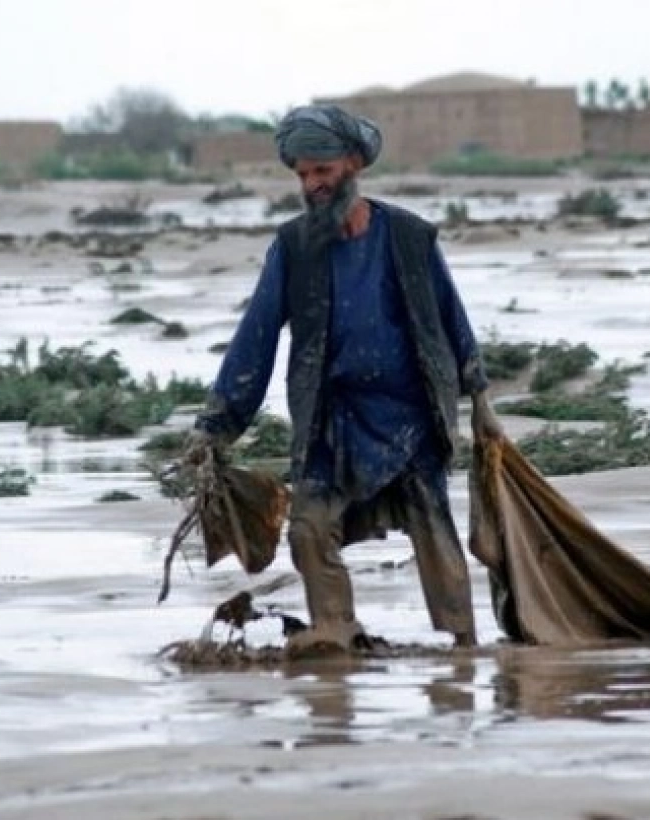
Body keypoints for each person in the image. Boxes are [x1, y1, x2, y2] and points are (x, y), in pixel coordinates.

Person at [186, 104, 502, 650]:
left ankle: (463, 649)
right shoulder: (294, 248)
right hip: (332, 421)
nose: (311, 185)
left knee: (435, 532)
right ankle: (337, 633)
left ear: (353, 165)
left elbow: (452, 319)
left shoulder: (409, 237)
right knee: (308, 532)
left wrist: (481, 400)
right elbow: (254, 340)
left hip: (412, 418)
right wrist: (216, 424)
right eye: (303, 174)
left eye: (322, 172)